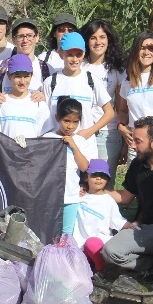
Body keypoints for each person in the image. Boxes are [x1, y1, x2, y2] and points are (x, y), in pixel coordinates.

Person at [101, 116, 153, 272]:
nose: (132, 146)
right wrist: (98, 191)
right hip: (144, 229)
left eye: (138, 141)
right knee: (109, 251)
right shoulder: (137, 165)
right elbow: (125, 197)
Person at [43, 31, 115, 146]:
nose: (74, 59)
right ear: (61, 54)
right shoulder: (50, 82)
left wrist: (89, 132)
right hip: (57, 146)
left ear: (84, 54)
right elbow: (44, 115)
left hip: (85, 146)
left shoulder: (92, 80)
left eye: (78, 54)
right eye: (69, 54)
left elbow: (110, 112)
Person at [42, 97, 96, 237]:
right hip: (49, 196)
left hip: (71, 196)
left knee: (67, 234)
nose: (70, 126)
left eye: (75, 122)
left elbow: (85, 167)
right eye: (66, 121)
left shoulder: (80, 141)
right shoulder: (47, 138)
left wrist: (73, 145)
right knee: (48, 232)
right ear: (57, 118)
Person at [81, 19, 126, 181]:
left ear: (109, 40)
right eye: (93, 37)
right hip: (81, 132)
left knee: (103, 183)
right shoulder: (79, 66)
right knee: (82, 182)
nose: (98, 42)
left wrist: (124, 144)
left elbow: (121, 108)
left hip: (108, 134)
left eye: (102, 37)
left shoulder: (117, 69)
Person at [75, 159, 132, 272]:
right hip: (79, 245)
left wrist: (132, 225)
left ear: (107, 180)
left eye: (103, 176)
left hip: (98, 244)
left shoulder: (109, 201)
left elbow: (117, 221)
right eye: (94, 175)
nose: (99, 178)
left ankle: (100, 269)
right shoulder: (78, 197)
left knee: (92, 243)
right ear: (86, 177)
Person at [0, 18, 49, 106]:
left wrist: (45, 99)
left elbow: (53, 107)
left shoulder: (46, 69)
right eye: (20, 36)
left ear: (37, 37)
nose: (25, 40)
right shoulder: (1, 67)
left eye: (29, 35)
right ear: (14, 40)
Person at [0, 54, 51, 138]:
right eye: (17, 77)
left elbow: (45, 139)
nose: (22, 82)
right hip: (4, 151)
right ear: (9, 75)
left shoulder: (39, 104)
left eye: (26, 76)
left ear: (31, 76)